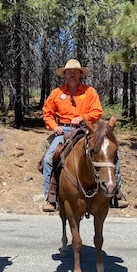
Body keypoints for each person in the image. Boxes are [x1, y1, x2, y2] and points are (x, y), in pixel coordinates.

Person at [42, 59, 126, 212]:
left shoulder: (90, 92)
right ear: (64, 75)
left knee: (111, 155)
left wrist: (82, 118)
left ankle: (117, 193)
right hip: (64, 131)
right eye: (69, 72)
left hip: (87, 130)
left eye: (75, 72)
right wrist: (54, 127)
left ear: (80, 74)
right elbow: (47, 113)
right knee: (49, 159)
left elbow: (97, 111)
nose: (72, 74)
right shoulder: (56, 93)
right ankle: (51, 196)